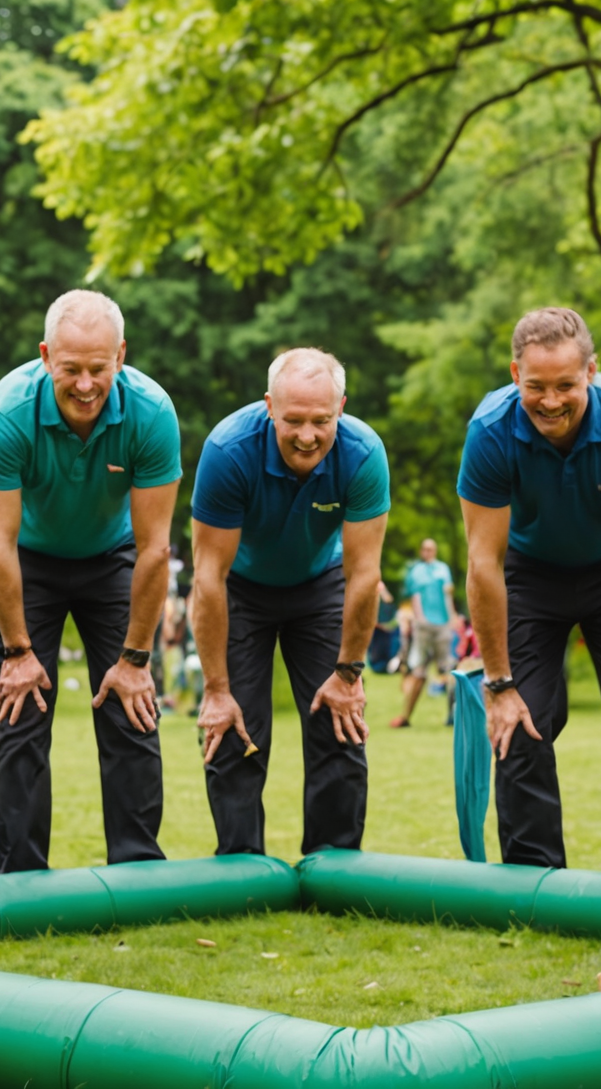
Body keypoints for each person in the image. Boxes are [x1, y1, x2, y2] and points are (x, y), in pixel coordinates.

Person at [458, 307, 601, 878]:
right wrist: (499, 683)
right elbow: (484, 564)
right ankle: (535, 884)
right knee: (521, 720)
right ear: (515, 375)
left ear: (591, 370)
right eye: (536, 386)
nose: (551, 401)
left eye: (566, 385)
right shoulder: (490, 431)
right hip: (530, 575)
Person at [0, 290, 178, 872]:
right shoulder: (7, 413)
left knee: (131, 707)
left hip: (112, 557)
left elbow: (154, 548)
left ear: (120, 356)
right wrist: (17, 651)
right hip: (26, 563)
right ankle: (21, 875)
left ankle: (138, 866)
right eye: (70, 369)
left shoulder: (151, 413)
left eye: (98, 368)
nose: (85, 384)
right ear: (45, 356)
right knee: (22, 710)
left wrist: (135, 658)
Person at [191, 348, 388, 857]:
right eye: (293, 420)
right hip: (240, 587)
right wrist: (215, 688)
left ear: (341, 408)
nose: (307, 435)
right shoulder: (228, 449)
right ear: (269, 407)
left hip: (319, 584)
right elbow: (208, 577)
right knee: (235, 728)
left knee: (339, 723)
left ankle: (334, 865)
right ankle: (240, 865)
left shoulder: (363, 453)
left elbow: (364, 576)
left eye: (321, 421)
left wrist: (348, 674)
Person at [389, 538, 457, 727]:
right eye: (425, 549)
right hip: (424, 626)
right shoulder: (416, 571)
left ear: (434, 551)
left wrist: (452, 619)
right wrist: (420, 619)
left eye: (431, 549)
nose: (427, 552)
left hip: (443, 625)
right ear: (421, 551)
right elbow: (415, 596)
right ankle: (406, 716)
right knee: (418, 671)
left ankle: (453, 717)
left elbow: (448, 594)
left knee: (449, 671)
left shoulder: (443, 569)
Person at [365, 579, 402, 675]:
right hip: (377, 632)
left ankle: (388, 666)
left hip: (385, 630)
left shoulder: (385, 603)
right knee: (377, 652)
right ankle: (380, 666)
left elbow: (388, 599)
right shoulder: (370, 599)